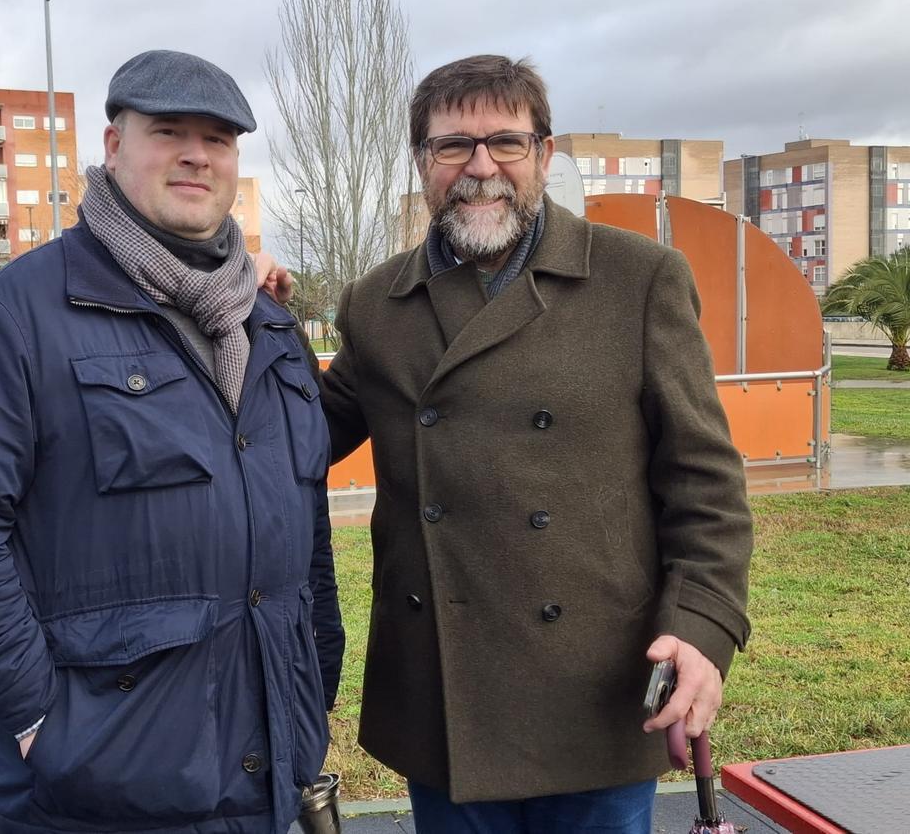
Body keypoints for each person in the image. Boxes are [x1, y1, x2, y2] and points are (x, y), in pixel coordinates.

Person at [0, 49, 343, 834]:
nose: (197, 154)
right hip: (99, 786)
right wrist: (39, 718)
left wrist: (314, 680)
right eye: (168, 131)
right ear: (112, 145)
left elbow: (304, 525)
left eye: (219, 139)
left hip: (268, 769)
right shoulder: (16, 316)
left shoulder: (268, 324)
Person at [314, 54, 753, 832]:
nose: (481, 167)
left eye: (506, 143)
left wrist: (702, 632)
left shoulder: (640, 280)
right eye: (452, 146)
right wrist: (241, 317)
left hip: (597, 690)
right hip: (447, 696)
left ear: (544, 156)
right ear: (422, 164)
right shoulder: (377, 305)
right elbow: (292, 436)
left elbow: (704, 484)